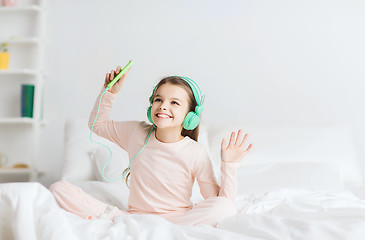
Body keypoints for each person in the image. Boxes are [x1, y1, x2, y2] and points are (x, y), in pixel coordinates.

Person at [50, 65, 253, 227]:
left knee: (224, 208)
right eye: (158, 99)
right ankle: (121, 218)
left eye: (174, 102)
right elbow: (97, 125)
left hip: (178, 220)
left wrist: (230, 165)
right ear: (151, 106)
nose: (163, 106)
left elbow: (221, 202)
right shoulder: (136, 133)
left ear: (190, 116)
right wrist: (109, 93)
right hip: (135, 216)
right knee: (58, 188)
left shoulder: (195, 152)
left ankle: (155, 226)